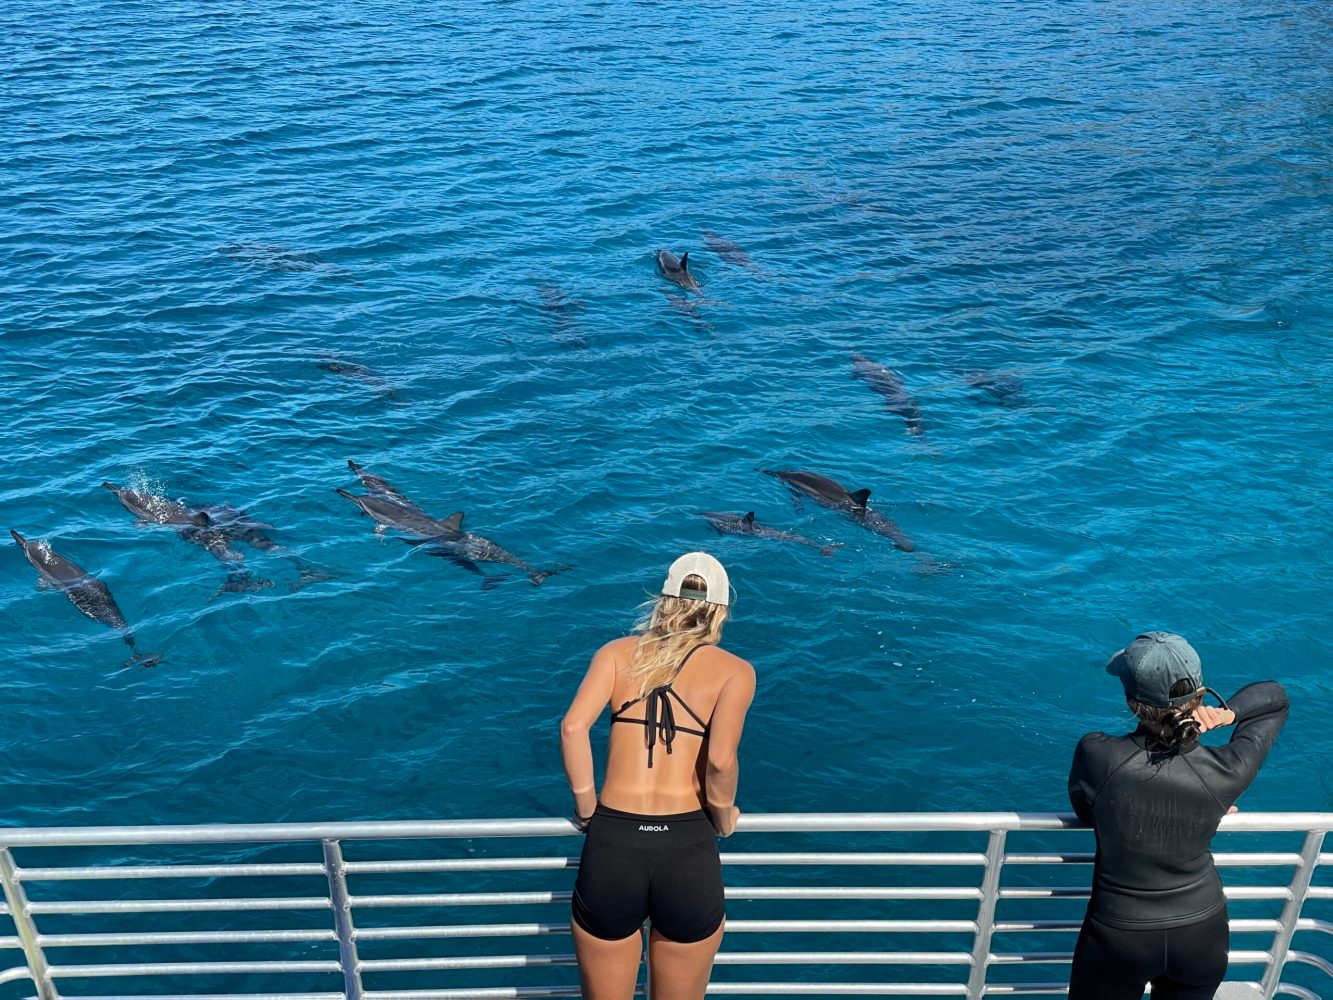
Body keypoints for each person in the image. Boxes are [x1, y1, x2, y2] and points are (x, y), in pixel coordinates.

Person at [560, 551, 756, 1000]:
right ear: (721, 609)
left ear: (665, 599)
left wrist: (588, 810)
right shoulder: (735, 672)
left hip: (613, 842)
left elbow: (573, 728)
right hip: (686, 848)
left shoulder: (615, 654)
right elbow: (721, 762)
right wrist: (724, 819)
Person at [1067, 631, 1289, 1000]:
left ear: (1132, 703)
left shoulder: (1096, 756)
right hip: (1201, 933)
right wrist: (1226, 714)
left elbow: (1083, 808)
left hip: (1119, 934)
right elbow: (1275, 699)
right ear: (1201, 695)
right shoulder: (1225, 772)